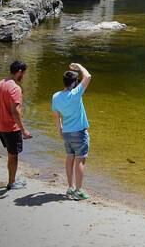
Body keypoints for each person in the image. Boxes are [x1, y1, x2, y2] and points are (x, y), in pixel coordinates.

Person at [51, 62, 92, 200]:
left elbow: (56, 117)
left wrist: (60, 131)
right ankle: (78, 190)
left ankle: (70, 187)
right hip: (79, 132)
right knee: (80, 161)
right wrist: (79, 66)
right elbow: (88, 76)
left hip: (67, 133)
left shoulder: (56, 96)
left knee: (69, 158)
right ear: (74, 83)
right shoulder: (75, 94)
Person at [0, 60, 32, 190]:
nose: (23, 77)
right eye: (23, 74)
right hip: (11, 128)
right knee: (13, 155)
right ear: (19, 72)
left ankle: (12, 179)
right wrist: (23, 130)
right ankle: (12, 182)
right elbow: (16, 111)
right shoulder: (15, 88)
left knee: (10, 154)